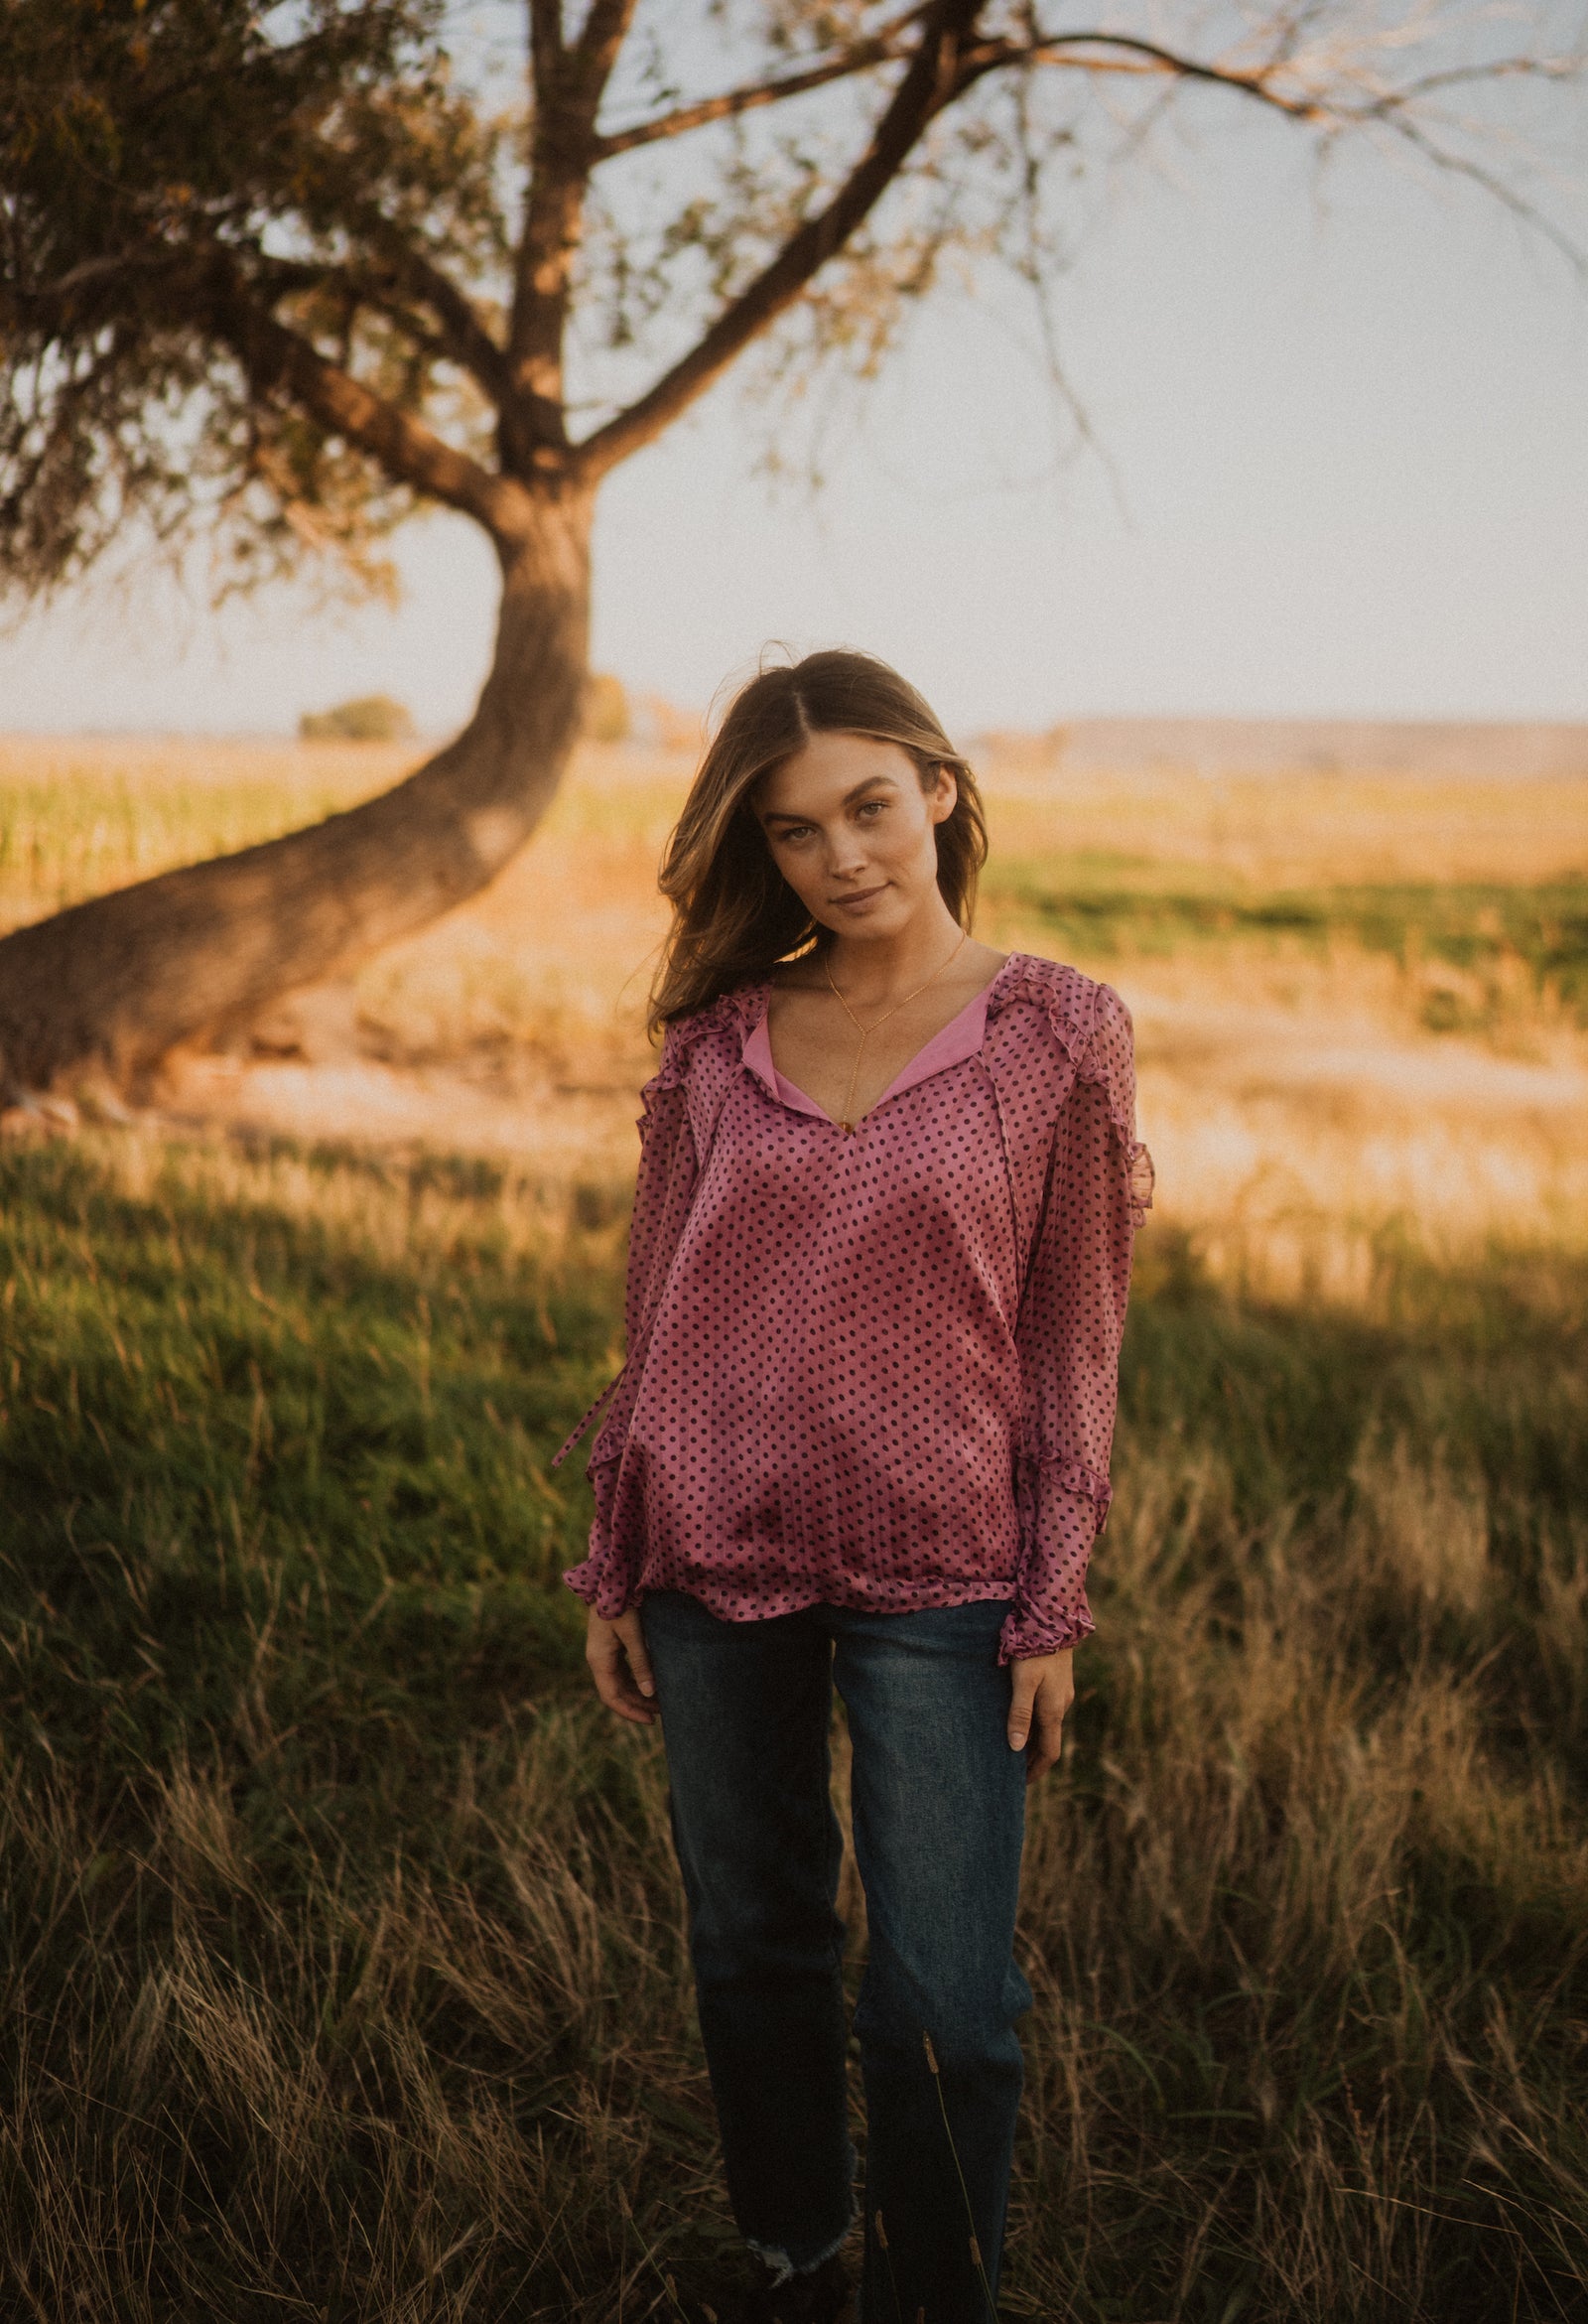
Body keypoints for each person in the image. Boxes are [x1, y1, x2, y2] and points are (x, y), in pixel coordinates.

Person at [560, 650, 1151, 2323]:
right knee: (753, 1948)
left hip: (945, 1566)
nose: (844, 856)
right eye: (797, 830)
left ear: (940, 790)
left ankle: (940, 2290)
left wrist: (1053, 1596)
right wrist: (616, 1559)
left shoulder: (1057, 1032)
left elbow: (1073, 1341)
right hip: (710, 1544)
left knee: (948, 2001)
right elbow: (653, 1306)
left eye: (871, 806)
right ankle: (794, 2260)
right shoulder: (722, 1037)